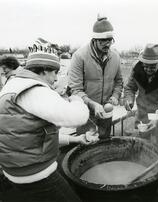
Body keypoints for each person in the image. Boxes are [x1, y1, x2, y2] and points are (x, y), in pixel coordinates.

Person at [0, 48, 92, 202]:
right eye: (54, 72)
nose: (56, 79)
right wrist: (77, 100)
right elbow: (78, 117)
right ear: (43, 71)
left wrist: (76, 139)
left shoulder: (13, 85)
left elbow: (31, 136)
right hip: (34, 175)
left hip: (15, 170)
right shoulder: (34, 90)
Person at [68, 15, 123, 138]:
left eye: (110, 40)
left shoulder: (115, 57)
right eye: (103, 41)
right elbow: (75, 90)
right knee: (86, 144)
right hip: (85, 113)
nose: (107, 44)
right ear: (95, 39)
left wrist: (115, 96)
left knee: (104, 143)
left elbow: (119, 82)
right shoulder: (79, 56)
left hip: (106, 111)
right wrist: (92, 104)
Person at [124, 43, 158, 153]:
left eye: (152, 66)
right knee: (140, 146)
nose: (148, 69)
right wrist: (129, 100)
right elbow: (130, 87)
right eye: (145, 66)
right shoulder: (136, 68)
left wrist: (157, 118)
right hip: (142, 113)